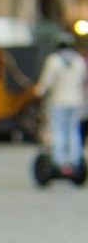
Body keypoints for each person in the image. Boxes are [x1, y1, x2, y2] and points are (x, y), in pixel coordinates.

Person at [35, 40, 87, 171]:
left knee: (58, 131)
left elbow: (45, 83)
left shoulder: (54, 60)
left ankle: (59, 161)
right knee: (73, 131)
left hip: (58, 102)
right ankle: (74, 160)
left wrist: (38, 92)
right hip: (75, 102)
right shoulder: (79, 61)